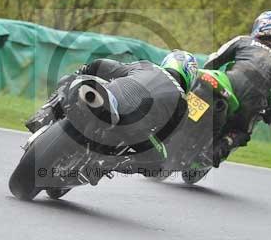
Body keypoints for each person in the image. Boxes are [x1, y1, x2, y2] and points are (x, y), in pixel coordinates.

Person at [26, 50, 198, 159]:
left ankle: (44, 114)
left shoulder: (147, 66)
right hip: (133, 129)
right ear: (190, 76)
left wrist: (82, 71)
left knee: (70, 79)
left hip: (108, 99)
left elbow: (102, 65)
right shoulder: (183, 104)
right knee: (159, 159)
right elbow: (167, 138)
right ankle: (108, 164)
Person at [202, 11, 271, 166]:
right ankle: (219, 148)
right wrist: (269, 116)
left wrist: (208, 75)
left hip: (226, 84)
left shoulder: (243, 41)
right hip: (251, 106)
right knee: (241, 133)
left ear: (261, 26)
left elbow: (213, 60)